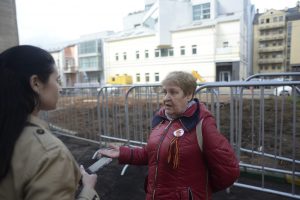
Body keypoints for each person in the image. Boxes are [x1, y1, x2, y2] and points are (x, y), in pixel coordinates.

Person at [99, 71, 240, 200]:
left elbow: (228, 171)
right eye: (164, 92)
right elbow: (151, 155)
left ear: (189, 94)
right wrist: (123, 153)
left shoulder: (202, 124)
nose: (166, 98)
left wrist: (196, 192)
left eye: (173, 92)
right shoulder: (161, 121)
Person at [0, 45, 100, 200]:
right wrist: (87, 190)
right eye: (57, 80)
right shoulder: (50, 154)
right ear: (36, 83)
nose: (60, 88)